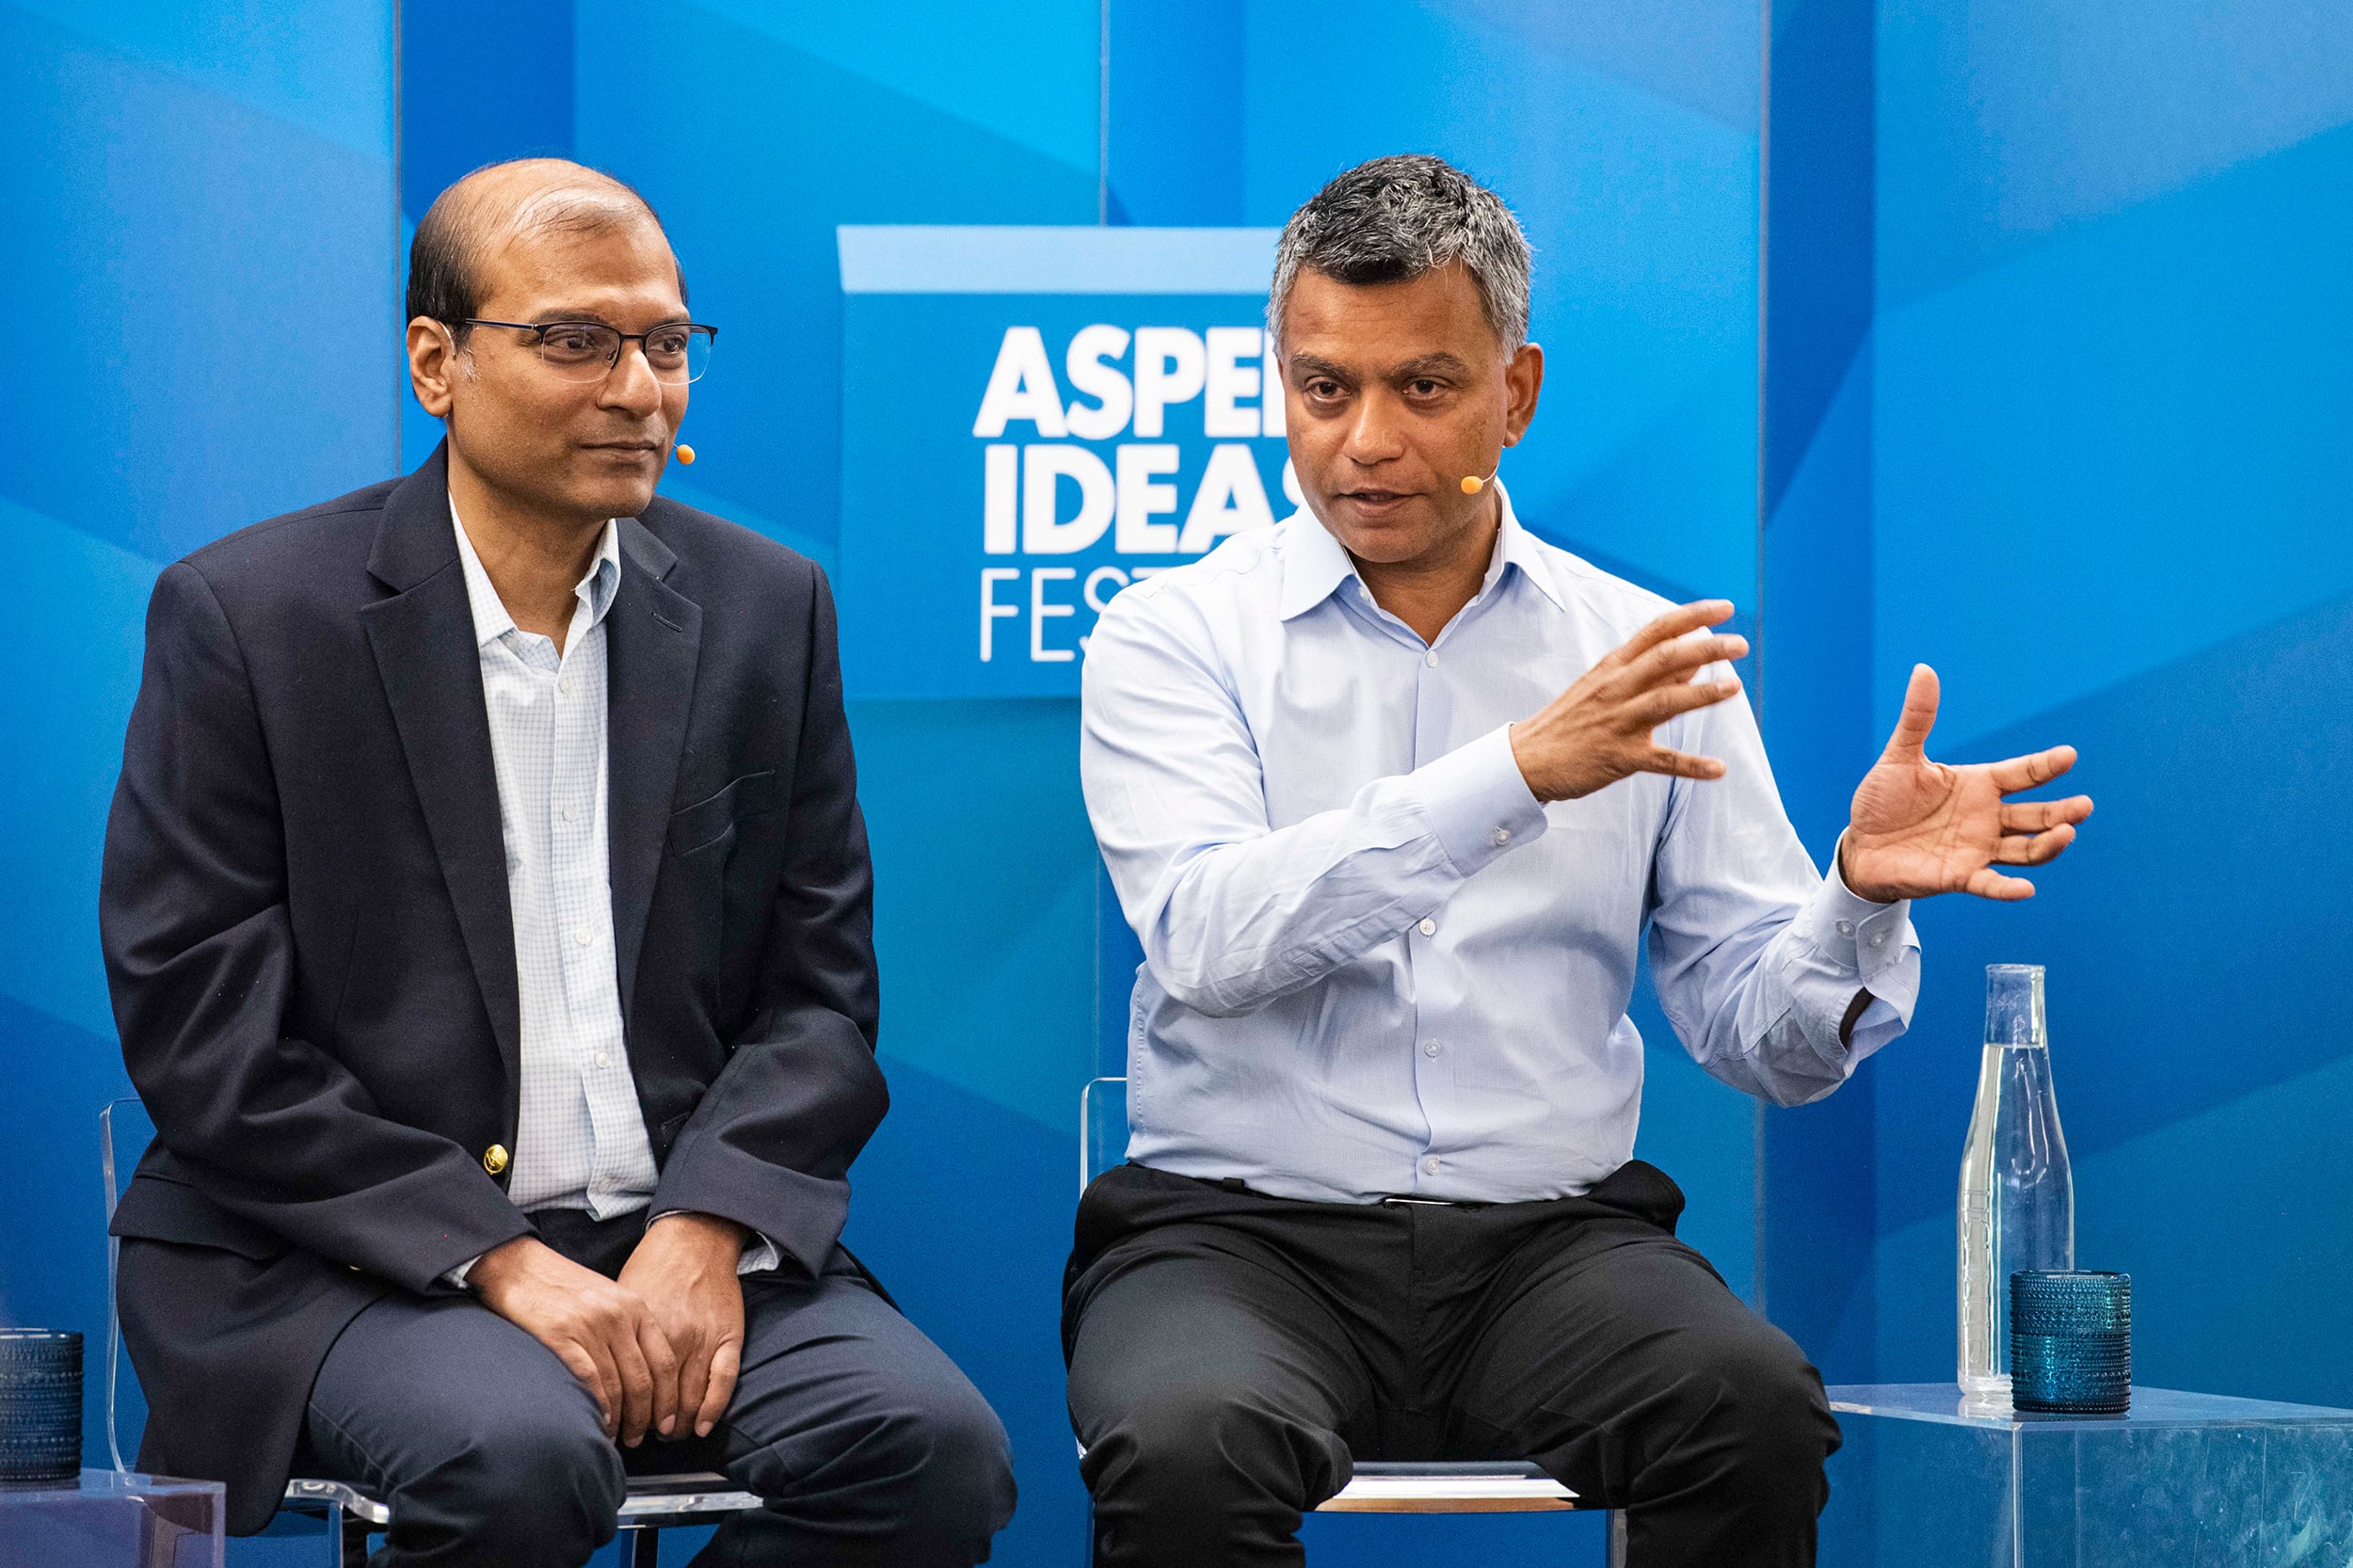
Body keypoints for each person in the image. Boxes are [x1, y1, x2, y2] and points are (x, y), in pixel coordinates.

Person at [1068, 154, 2093, 1568]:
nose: (1365, 440)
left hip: (1547, 1245)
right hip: (1238, 1237)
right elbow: (1207, 934)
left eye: (1423, 387)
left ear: (1516, 388)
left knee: (1753, 1408)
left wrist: (1854, 898)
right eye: (1323, 388)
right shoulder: (1172, 634)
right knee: (1183, 1448)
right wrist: (1514, 774)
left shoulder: (1648, 657)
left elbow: (1762, 1038)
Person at [101, 158, 1016, 1568]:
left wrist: (709, 1224)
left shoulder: (769, 610)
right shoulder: (249, 617)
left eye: (666, 343)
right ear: (436, 362)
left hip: (670, 1237)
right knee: (517, 1456)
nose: (639, 387)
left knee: (933, 1453)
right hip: (347, 1252)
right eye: (576, 341)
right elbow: (207, 1031)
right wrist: (502, 1260)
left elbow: (820, 1001)